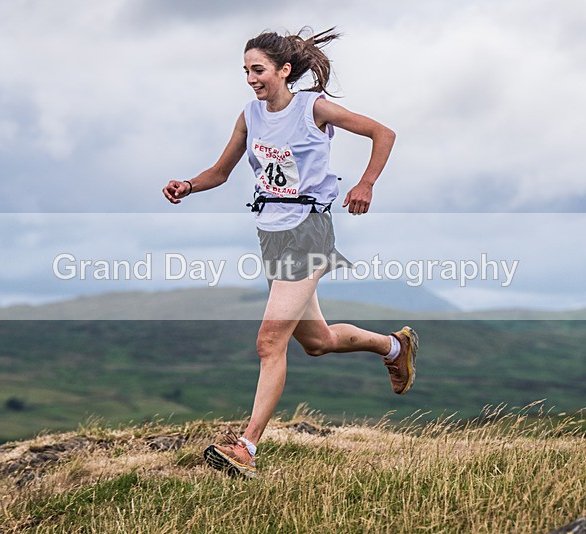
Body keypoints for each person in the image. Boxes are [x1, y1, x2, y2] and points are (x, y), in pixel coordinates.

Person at [162, 27, 418, 478]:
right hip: (271, 235)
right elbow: (221, 172)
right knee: (317, 342)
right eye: (245, 71)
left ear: (283, 70)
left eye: (257, 70)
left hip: (309, 231)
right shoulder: (249, 115)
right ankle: (394, 346)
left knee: (269, 341)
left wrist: (366, 184)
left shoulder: (313, 108)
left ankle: (246, 447)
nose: (250, 79)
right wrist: (188, 184)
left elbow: (384, 132)